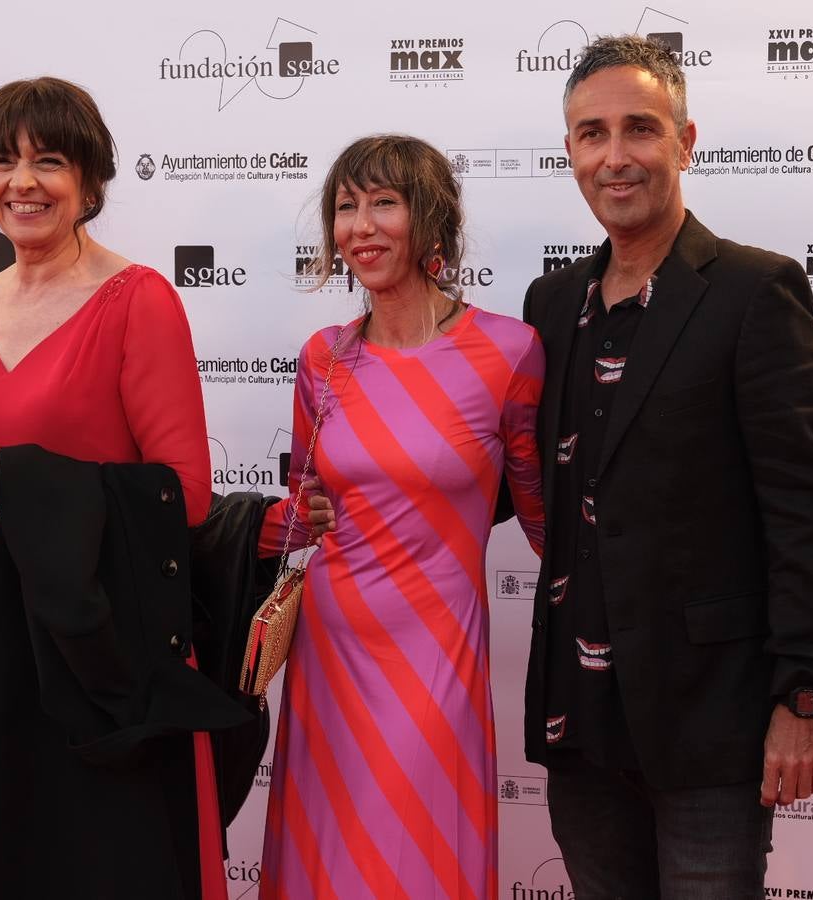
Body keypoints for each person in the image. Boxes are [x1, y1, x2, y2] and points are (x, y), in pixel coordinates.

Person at [518, 36, 813, 898]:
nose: (615, 155)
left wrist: (804, 695)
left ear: (686, 141)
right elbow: (508, 469)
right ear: (570, 153)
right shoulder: (552, 306)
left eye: (640, 128)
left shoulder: (754, 291)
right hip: (579, 717)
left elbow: (807, 512)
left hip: (713, 714)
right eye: (591, 134)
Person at [0, 77, 225, 899]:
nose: (22, 182)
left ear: (90, 183)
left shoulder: (139, 301)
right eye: (2, 162)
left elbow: (187, 494)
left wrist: (21, 491)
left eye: (48, 161)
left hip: (86, 637)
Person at [257, 134, 545, 899]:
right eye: (346, 207)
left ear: (432, 221)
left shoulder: (509, 352)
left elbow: (544, 520)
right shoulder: (325, 357)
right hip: (332, 648)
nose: (361, 226)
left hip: (438, 652)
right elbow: (304, 503)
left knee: (423, 857)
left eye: (384, 202)